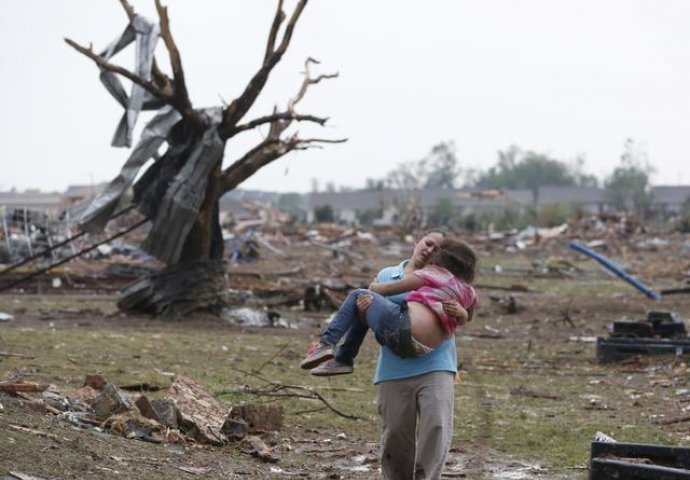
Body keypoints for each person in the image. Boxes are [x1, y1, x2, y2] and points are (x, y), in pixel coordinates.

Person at [348, 228, 469, 480]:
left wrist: (461, 311)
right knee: (395, 433)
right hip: (395, 367)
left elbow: (468, 312)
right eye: (427, 243)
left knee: (436, 426)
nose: (429, 250)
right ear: (416, 242)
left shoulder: (451, 278)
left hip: (437, 364)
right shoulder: (387, 276)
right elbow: (371, 317)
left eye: (437, 248)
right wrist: (362, 310)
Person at [299, 238, 477, 376]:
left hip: (404, 329)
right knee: (364, 306)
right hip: (423, 349)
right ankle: (343, 359)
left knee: (359, 295)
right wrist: (461, 314)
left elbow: (388, 289)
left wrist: (374, 286)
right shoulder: (469, 291)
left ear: (442, 258)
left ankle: (327, 345)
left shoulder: (433, 273)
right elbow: (468, 317)